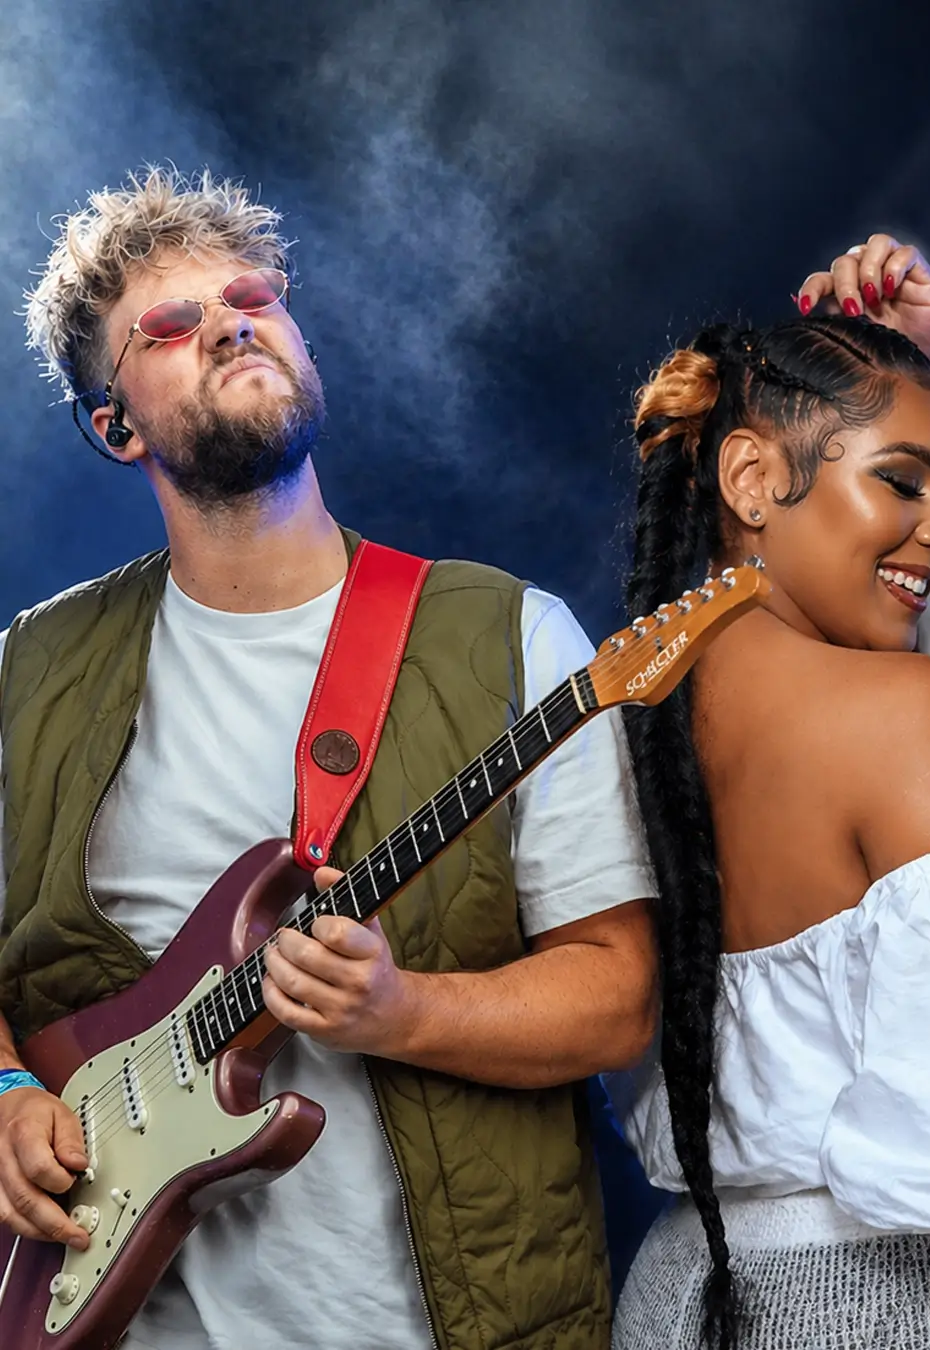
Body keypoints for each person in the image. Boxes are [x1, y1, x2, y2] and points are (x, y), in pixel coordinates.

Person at [0, 166, 659, 1350]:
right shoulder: (30, 670)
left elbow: (618, 998)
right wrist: (4, 1097)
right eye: (171, 325)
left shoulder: (511, 636)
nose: (231, 324)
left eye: (251, 297)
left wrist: (404, 1011)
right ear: (114, 426)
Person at [609, 235, 930, 1349]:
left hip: (680, 1295)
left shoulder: (625, 732)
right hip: (900, 1305)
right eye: (902, 482)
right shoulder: (912, 718)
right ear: (751, 481)